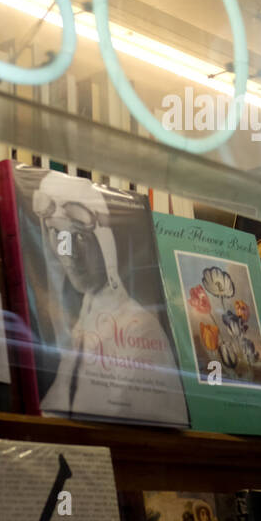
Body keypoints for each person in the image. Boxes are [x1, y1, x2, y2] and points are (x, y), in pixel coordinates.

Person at [33, 173, 187, 422]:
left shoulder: (140, 330)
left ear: (106, 244)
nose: (69, 254)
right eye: (56, 234)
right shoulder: (82, 322)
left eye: (80, 237)